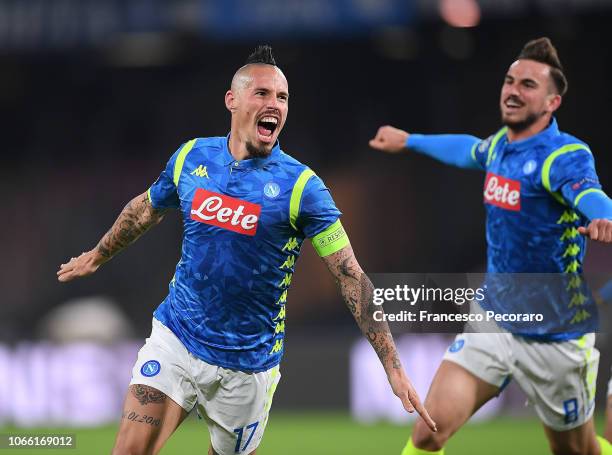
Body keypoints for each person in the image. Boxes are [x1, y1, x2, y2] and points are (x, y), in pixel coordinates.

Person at [57, 45, 436, 455]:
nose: (274, 104)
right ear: (232, 100)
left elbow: (350, 276)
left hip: (247, 367)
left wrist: (394, 368)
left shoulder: (302, 189)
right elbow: (147, 208)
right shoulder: (191, 157)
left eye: (282, 97)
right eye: (263, 93)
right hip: (177, 339)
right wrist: (98, 254)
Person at [370, 37, 612, 455]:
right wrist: (410, 140)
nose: (513, 90)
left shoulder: (564, 154)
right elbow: (468, 150)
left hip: (555, 336)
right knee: (428, 432)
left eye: (528, 85)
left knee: (577, 451)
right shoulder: (502, 145)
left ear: (552, 102)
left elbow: (593, 198)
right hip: (495, 320)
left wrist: (604, 216)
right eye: (509, 80)